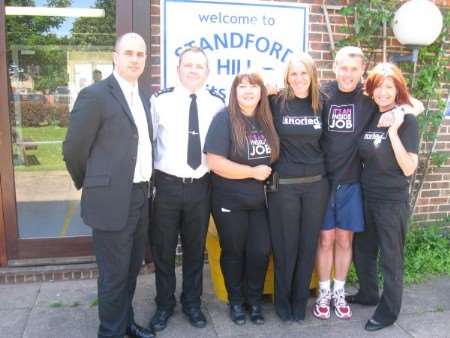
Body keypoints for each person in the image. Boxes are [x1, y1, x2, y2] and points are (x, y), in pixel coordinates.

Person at [63, 33, 155, 338]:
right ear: (115, 57)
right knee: (114, 274)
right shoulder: (96, 95)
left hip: (141, 196)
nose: (135, 59)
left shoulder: (143, 98)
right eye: (128, 53)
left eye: (140, 54)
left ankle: (125, 323)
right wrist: (90, 183)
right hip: (110, 200)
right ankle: (110, 332)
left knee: (131, 270)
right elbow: (73, 149)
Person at [149, 47, 225, 331]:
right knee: (164, 250)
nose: (193, 70)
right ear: (178, 69)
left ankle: (192, 303)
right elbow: (149, 143)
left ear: (207, 72)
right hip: (167, 186)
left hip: (201, 188)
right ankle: (164, 304)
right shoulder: (160, 101)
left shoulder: (217, 104)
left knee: (195, 250)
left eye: (200, 66)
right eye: (188, 65)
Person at [205, 72, 279, 325]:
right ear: (234, 92)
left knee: (259, 251)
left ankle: (254, 301)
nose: (248, 91)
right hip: (229, 201)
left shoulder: (266, 120)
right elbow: (214, 163)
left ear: (262, 92)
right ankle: (236, 302)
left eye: (254, 87)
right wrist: (251, 172)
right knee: (234, 252)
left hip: (260, 203)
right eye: (242, 87)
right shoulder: (223, 118)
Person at [350, 63, 419, 331]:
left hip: (391, 201)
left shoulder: (406, 121)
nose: (383, 92)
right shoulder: (370, 115)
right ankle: (368, 293)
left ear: (397, 90)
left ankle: (389, 311)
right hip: (367, 196)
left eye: (389, 87)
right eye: (379, 86)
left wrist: (393, 132)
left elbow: (409, 167)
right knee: (363, 250)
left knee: (390, 258)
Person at [314, 46, 377, 321]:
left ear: (362, 70)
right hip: (324, 181)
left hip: (352, 183)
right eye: (343, 67)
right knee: (325, 239)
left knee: (344, 239)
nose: (348, 74)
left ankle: (339, 291)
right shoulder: (322, 93)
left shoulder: (369, 97)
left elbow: (402, 100)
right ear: (335, 67)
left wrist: (411, 107)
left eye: (354, 69)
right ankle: (323, 292)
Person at [267, 54, 329, 322]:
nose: (299, 78)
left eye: (304, 73)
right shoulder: (275, 102)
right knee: (285, 247)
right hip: (285, 187)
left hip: (316, 186)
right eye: (294, 74)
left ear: (312, 75)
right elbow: (241, 100)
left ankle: (299, 302)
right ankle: (282, 301)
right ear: (286, 77)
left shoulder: (322, 104)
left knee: (307, 246)